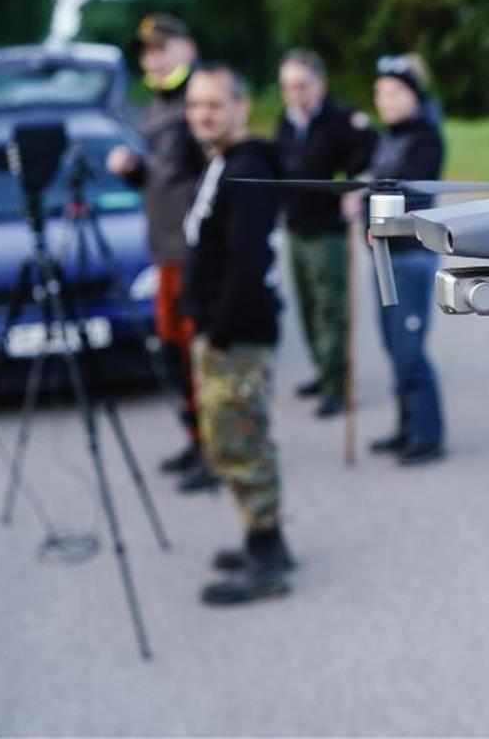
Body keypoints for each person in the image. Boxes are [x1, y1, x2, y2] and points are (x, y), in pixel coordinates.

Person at [181, 63, 294, 604]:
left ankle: (266, 557)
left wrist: (220, 332)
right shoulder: (224, 162)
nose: (202, 115)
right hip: (225, 329)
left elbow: (247, 265)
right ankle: (264, 538)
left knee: (239, 442)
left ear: (241, 107)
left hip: (239, 334)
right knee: (234, 440)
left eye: (214, 105)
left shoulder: (247, 168)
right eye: (195, 106)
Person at [105, 14, 216, 493]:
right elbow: (164, 176)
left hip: (194, 254)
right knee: (174, 356)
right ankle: (197, 441)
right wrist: (133, 171)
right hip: (164, 253)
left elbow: (215, 175)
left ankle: (216, 451)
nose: (152, 58)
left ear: (185, 48)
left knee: (199, 357)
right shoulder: (157, 106)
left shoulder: (199, 102)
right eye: (146, 51)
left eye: (161, 48)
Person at [273, 49, 378, 418]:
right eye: (287, 86)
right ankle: (322, 369)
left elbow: (370, 154)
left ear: (319, 84)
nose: (294, 94)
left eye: (301, 85)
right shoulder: (285, 122)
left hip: (328, 231)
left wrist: (352, 186)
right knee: (306, 307)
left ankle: (338, 384)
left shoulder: (341, 119)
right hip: (295, 228)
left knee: (331, 310)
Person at [354, 54, 447, 465]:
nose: (385, 101)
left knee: (409, 349)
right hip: (384, 257)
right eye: (380, 94)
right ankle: (406, 426)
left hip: (410, 257)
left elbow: (408, 194)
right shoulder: (387, 135)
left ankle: (428, 435)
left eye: (393, 93)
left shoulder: (425, 136)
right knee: (393, 346)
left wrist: (368, 199)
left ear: (413, 94)